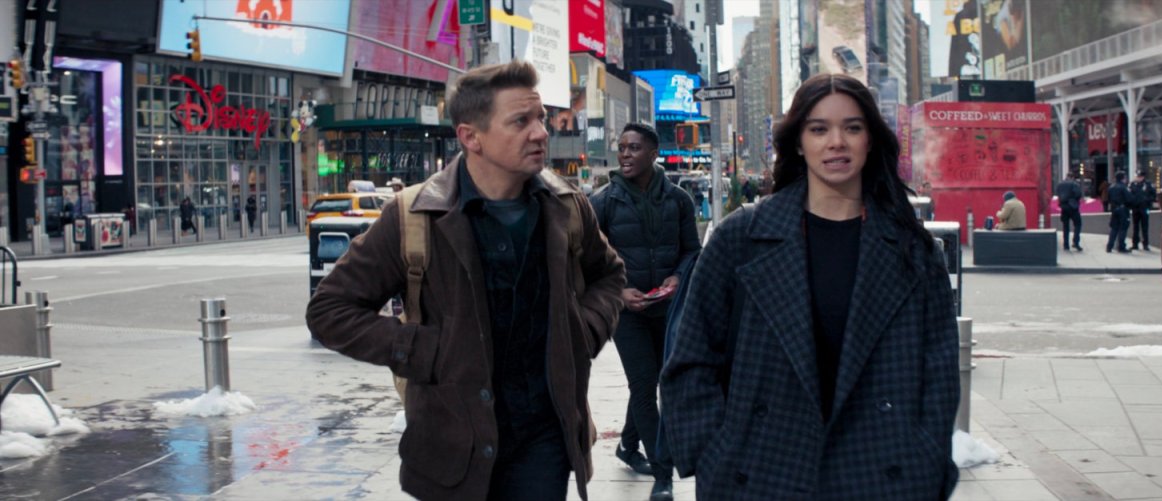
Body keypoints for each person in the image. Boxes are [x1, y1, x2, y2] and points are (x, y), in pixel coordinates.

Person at [306, 60, 626, 501]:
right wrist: (425, 352)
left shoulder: (566, 207)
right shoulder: (413, 215)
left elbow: (609, 276)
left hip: (543, 441)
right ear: (470, 137)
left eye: (540, 119)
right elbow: (329, 311)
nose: (540, 133)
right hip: (450, 445)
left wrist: (582, 332)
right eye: (520, 121)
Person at [660, 73, 959, 499]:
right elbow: (690, 359)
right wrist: (715, 451)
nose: (836, 142)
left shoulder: (912, 249)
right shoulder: (741, 239)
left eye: (852, 127)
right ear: (798, 142)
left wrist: (926, 458)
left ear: (870, 140)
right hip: (762, 473)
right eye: (819, 129)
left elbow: (940, 371)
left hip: (884, 475)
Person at [590, 123, 701, 501]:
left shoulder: (679, 200)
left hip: (667, 308)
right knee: (644, 385)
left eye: (634, 148)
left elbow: (692, 251)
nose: (625, 154)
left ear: (654, 154)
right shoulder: (601, 202)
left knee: (659, 379)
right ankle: (663, 471)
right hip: (628, 313)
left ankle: (626, 444)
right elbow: (587, 261)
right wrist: (620, 294)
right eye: (621, 147)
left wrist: (676, 277)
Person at [1055, 172, 1084, 251]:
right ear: (1072, 177)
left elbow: (1057, 194)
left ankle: (1066, 245)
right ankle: (1076, 242)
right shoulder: (1074, 184)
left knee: (1065, 226)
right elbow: (1078, 194)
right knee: (1078, 224)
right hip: (1073, 207)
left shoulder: (1060, 184)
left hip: (1064, 207)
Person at [1129, 169, 1155, 251]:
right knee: (1135, 227)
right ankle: (1135, 244)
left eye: (1139, 177)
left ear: (1143, 177)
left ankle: (1145, 244)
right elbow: (1129, 194)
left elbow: (1153, 194)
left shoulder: (1148, 184)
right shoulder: (1132, 184)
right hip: (1135, 208)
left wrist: (1147, 200)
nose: (1138, 178)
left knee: (1145, 227)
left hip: (1144, 208)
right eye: (1137, 176)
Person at [1106, 171, 1132, 253]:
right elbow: (1129, 199)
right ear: (1123, 178)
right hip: (1123, 209)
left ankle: (1109, 246)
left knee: (1114, 228)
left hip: (1114, 209)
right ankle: (1121, 246)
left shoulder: (1111, 187)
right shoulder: (1123, 187)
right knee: (1123, 228)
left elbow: (1108, 199)